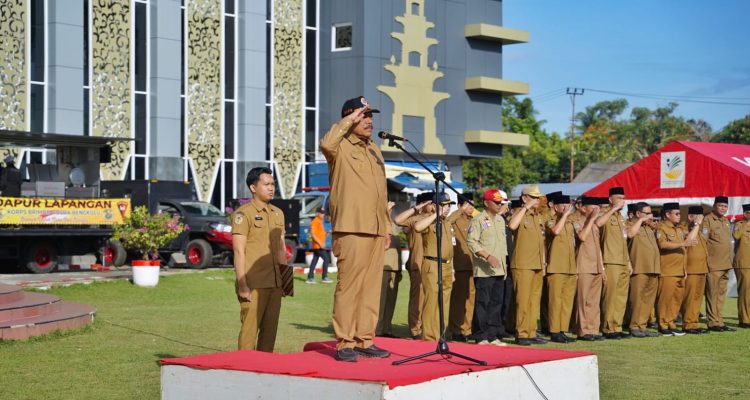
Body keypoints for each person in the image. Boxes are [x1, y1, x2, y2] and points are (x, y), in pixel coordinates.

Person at [320, 96, 392, 362]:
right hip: (351, 227)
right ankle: (345, 342)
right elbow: (326, 143)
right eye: (363, 115)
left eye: (370, 115)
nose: (369, 120)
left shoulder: (374, 149)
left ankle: (365, 339)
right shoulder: (339, 146)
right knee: (349, 287)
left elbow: (381, 192)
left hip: (376, 228)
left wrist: (386, 227)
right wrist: (348, 120)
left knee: (371, 289)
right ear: (350, 117)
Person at [231, 167, 287, 352]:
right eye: (266, 184)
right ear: (253, 188)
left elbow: (281, 249)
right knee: (249, 333)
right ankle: (244, 368)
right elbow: (239, 251)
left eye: (273, 184)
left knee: (270, 334)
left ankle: (265, 367)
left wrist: (286, 282)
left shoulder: (278, 213)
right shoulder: (243, 214)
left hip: (275, 283)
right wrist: (242, 285)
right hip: (253, 284)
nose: (271, 188)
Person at [467, 189, 510, 345]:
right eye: (496, 202)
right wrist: (487, 256)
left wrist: (504, 266)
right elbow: (471, 241)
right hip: (484, 270)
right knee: (483, 303)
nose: (499, 205)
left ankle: (493, 335)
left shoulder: (500, 220)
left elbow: (503, 246)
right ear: (486, 203)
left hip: (499, 269)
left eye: (501, 203)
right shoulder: (478, 220)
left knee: (496, 303)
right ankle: (481, 335)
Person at [508, 184, 546, 346]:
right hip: (523, 264)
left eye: (538, 197)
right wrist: (525, 207)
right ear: (524, 198)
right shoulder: (519, 213)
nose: (537, 200)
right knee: (523, 301)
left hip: (537, 264)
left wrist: (543, 263)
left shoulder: (537, 217)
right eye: (534, 197)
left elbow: (541, 242)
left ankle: (531, 332)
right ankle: (522, 333)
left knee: (533, 301)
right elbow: (512, 226)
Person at [414, 192, 456, 341]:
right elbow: (417, 227)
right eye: (444, 205)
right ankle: (429, 336)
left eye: (449, 205)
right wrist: (435, 215)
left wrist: (452, 268)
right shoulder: (428, 220)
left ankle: (440, 335)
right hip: (432, 264)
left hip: (447, 265)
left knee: (444, 303)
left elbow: (450, 248)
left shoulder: (447, 223)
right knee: (432, 301)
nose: (447, 208)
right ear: (434, 206)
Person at [394, 191, 434, 340]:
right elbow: (398, 221)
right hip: (418, 263)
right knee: (418, 298)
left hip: (433, 265)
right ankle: (416, 329)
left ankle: (429, 327)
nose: (433, 206)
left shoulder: (436, 219)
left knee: (431, 298)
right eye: (430, 203)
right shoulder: (414, 220)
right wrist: (416, 209)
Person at [655, 202, 699, 336]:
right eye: (677, 214)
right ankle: (663, 324)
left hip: (679, 270)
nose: (679, 216)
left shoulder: (678, 229)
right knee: (665, 299)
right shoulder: (661, 227)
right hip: (667, 270)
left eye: (679, 213)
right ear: (667, 214)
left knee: (676, 299)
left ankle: (671, 322)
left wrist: (684, 268)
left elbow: (686, 244)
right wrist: (683, 243)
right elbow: (662, 244)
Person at [595, 186, 632, 340]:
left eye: (624, 198)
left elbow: (624, 240)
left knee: (620, 297)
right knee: (609, 296)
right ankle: (608, 327)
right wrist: (613, 209)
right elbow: (598, 223)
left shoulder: (620, 217)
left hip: (622, 261)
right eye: (619, 198)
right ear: (611, 199)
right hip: (610, 260)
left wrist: (628, 261)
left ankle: (617, 326)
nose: (622, 201)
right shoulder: (604, 213)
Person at [545, 194, 578, 343]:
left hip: (570, 267)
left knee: (567, 301)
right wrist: (564, 215)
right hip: (556, 267)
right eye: (563, 205)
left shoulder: (571, 223)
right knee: (555, 301)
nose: (566, 208)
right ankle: (554, 330)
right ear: (555, 207)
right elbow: (555, 231)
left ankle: (563, 329)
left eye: (568, 205)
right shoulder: (550, 221)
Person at [625, 202, 661, 338]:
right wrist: (640, 220)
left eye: (651, 213)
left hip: (653, 268)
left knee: (648, 300)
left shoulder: (648, 228)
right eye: (647, 213)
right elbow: (630, 234)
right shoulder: (630, 224)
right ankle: (634, 326)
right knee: (637, 299)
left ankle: (642, 326)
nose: (650, 216)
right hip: (639, 268)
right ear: (638, 214)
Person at [702, 196, 736, 332]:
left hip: (726, 264)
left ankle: (719, 321)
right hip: (714, 264)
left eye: (725, 206)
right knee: (712, 294)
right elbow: (703, 242)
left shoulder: (726, 221)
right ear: (714, 206)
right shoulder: (707, 220)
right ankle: (712, 322)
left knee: (721, 295)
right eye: (720, 206)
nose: (723, 208)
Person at [575, 197, 606, 341]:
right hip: (583, 266)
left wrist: (602, 268)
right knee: (583, 300)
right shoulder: (578, 221)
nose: (596, 211)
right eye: (593, 208)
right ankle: (583, 330)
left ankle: (593, 329)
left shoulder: (594, 225)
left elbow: (598, 248)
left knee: (594, 301)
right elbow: (582, 237)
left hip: (596, 266)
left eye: (597, 208)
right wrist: (592, 219)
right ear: (583, 208)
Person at [447, 196, 477, 342]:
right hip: (460, 266)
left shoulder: (474, 220)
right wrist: (460, 210)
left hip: (473, 265)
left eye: (472, 205)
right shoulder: (455, 219)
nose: (471, 208)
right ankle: (456, 329)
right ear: (460, 205)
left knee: (470, 299)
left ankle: (467, 329)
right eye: (468, 205)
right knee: (458, 300)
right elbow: (447, 222)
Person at [682, 206, 710, 334]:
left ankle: (694, 322)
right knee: (690, 298)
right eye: (698, 217)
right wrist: (697, 224)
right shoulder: (684, 228)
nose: (700, 220)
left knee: (698, 298)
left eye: (701, 217)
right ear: (690, 216)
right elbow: (689, 240)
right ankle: (688, 324)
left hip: (702, 268)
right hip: (691, 269)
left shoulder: (700, 229)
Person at [376, 201, 402, 338]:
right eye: (389, 208)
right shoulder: (379, 223)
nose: (391, 211)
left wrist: (400, 268)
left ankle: (387, 328)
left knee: (391, 300)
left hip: (394, 267)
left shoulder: (393, 224)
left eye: (392, 209)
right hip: (382, 267)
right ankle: (378, 329)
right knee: (380, 300)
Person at [733, 204, 750, 328]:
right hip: (744, 263)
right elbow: (736, 236)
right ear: (745, 213)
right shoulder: (739, 224)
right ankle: (745, 320)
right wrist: (747, 223)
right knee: (745, 292)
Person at [306, 207, 332, 284]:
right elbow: (313, 234)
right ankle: (324, 277)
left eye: (323, 213)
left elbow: (321, 234)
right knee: (326, 259)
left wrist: (327, 233)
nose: (322, 214)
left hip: (318, 246)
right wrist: (320, 243)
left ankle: (310, 277)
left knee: (314, 261)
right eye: (321, 213)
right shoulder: (315, 221)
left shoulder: (320, 222)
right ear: (317, 213)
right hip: (318, 246)